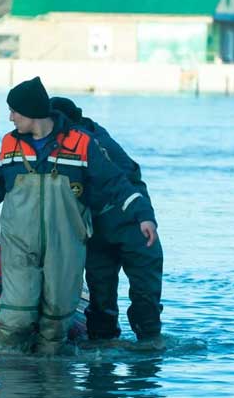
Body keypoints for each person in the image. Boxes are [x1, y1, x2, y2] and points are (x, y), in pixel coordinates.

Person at [0, 77, 157, 354]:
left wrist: (143, 216)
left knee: (57, 318)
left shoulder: (83, 145)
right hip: (21, 244)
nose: (10, 117)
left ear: (32, 112)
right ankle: (11, 369)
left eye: (15, 111)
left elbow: (117, 183)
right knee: (16, 315)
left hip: (67, 246)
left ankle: (56, 369)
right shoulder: (10, 145)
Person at [50, 96, 164, 349]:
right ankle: (115, 341)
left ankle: (145, 341)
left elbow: (127, 181)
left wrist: (145, 217)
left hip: (131, 225)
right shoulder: (75, 140)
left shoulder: (93, 144)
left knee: (142, 294)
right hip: (99, 229)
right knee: (101, 296)